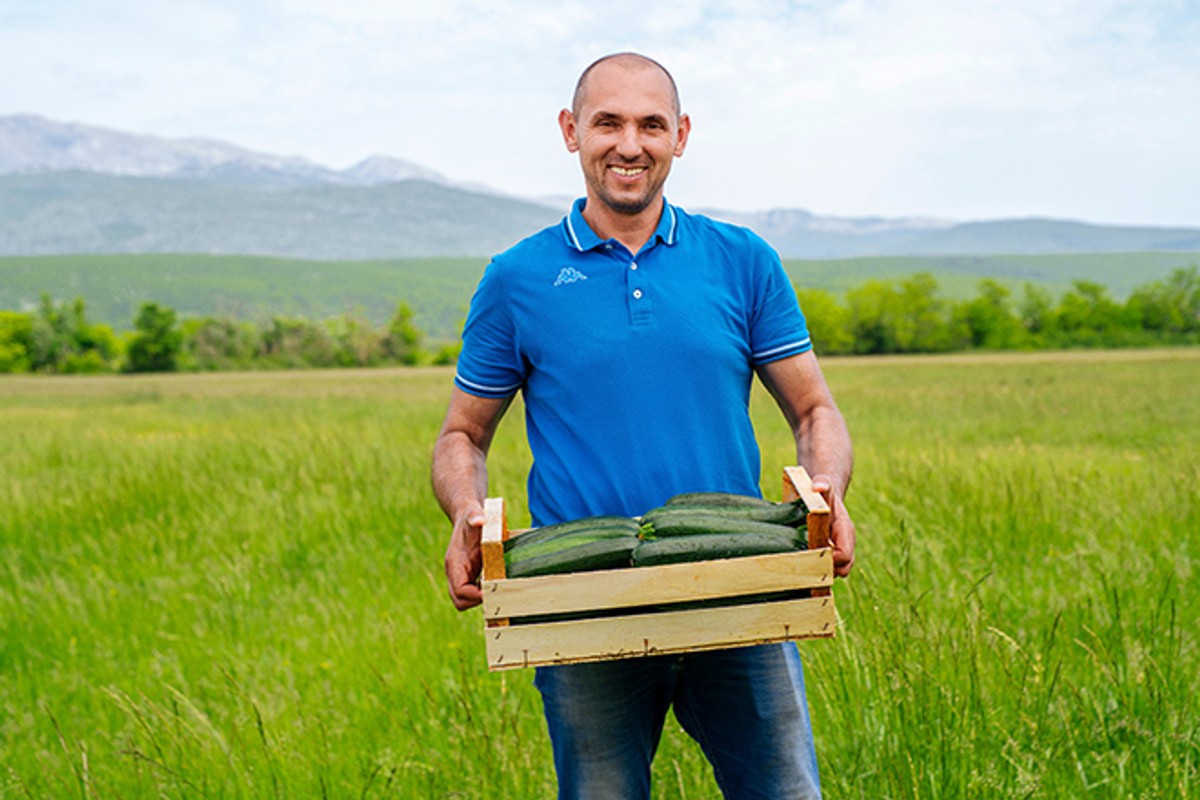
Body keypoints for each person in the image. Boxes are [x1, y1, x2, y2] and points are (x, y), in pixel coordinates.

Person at [432, 51, 856, 800]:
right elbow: (462, 434)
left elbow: (814, 408)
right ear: (571, 131)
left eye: (651, 125)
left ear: (680, 136)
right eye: (608, 123)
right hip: (583, 596)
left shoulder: (742, 260)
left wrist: (829, 489)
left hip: (738, 583)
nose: (629, 145)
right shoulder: (517, 278)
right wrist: (467, 511)